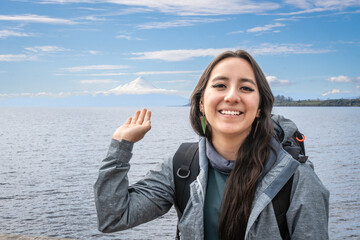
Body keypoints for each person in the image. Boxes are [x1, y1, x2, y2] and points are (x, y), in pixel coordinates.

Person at [94, 50, 329, 240]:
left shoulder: (297, 179)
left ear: (260, 109)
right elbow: (113, 217)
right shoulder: (182, 166)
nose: (232, 96)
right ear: (201, 104)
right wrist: (120, 146)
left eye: (246, 88)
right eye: (220, 85)